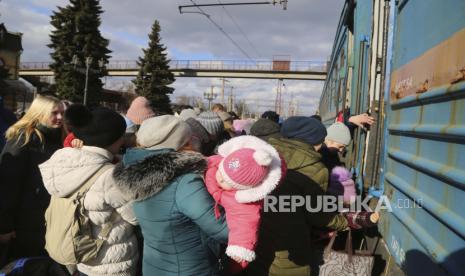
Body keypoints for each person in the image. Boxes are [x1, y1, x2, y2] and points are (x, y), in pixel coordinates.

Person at [113, 115, 228, 276]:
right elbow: (223, 230)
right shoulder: (184, 182)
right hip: (191, 269)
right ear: (179, 144)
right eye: (188, 141)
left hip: (154, 266)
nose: (194, 144)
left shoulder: (136, 173)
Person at [39, 107, 139, 276]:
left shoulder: (60, 159)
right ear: (111, 139)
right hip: (110, 262)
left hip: (80, 254)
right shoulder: (110, 176)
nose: (123, 140)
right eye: (122, 135)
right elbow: (136, 217)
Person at [204, 136, 283, 273]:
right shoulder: (216, 163)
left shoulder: (242, 203)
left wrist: (240, 248)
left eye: (226, 181)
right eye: (221, 172)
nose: (220, 178)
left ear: (244, 187)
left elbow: (245, 225)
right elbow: (207, 161)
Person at [0, 95, 64, 259]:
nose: (60, 118)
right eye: (54, 113)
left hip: (48, 220)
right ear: (39, 113)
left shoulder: (60, 139)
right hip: (24, 222)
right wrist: (4, 226)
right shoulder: (22, 139)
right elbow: (7, 185)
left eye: (62, 113)